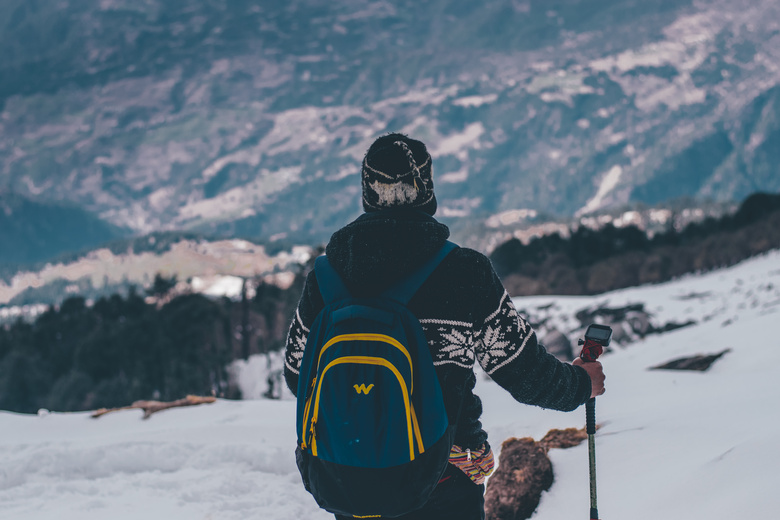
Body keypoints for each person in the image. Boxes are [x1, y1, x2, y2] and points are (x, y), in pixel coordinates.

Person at [284, 133, 606, 520]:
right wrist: (581, 383)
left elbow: (296, 374)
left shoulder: (326, 276)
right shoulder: (464, 272)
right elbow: (524, 374)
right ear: (426, 189)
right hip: (442, 476)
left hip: (350, 477)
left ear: (366, 191)